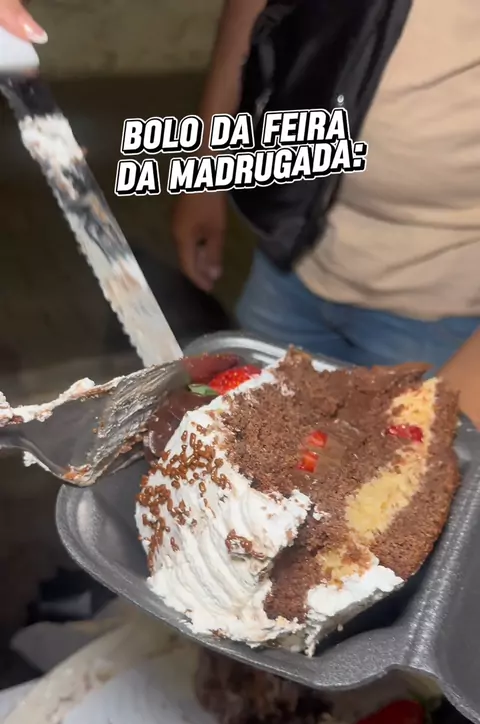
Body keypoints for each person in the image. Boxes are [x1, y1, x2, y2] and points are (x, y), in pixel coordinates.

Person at [172, 0, 480, 426]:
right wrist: (206, 167)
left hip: (442, 310)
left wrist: (453, 420)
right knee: (232, 434)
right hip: (291, 257)